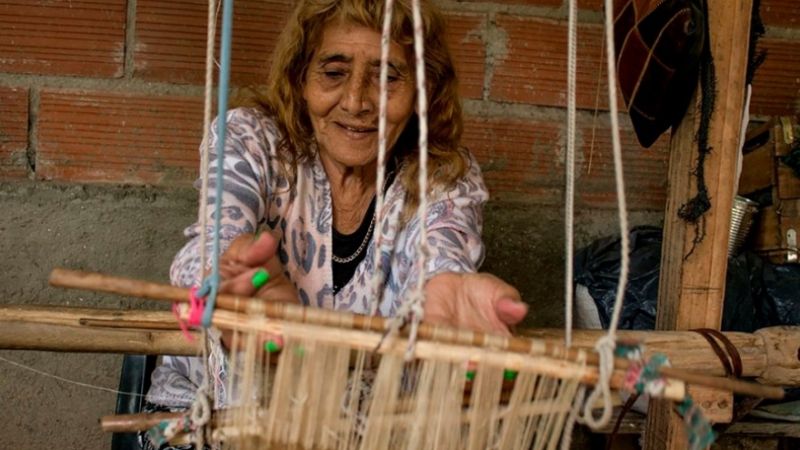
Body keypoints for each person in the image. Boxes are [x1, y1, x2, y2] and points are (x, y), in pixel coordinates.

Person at [143, 0, 528, 446]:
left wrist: (444, 284)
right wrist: (223, 273)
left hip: (365, 436)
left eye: (388, 77)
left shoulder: (442, 178)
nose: (357, 101)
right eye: (333, 72)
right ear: (300, 78)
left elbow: (439, 253)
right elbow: (216, 234)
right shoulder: (253, 141)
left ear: (423, 90)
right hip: (213, 421)